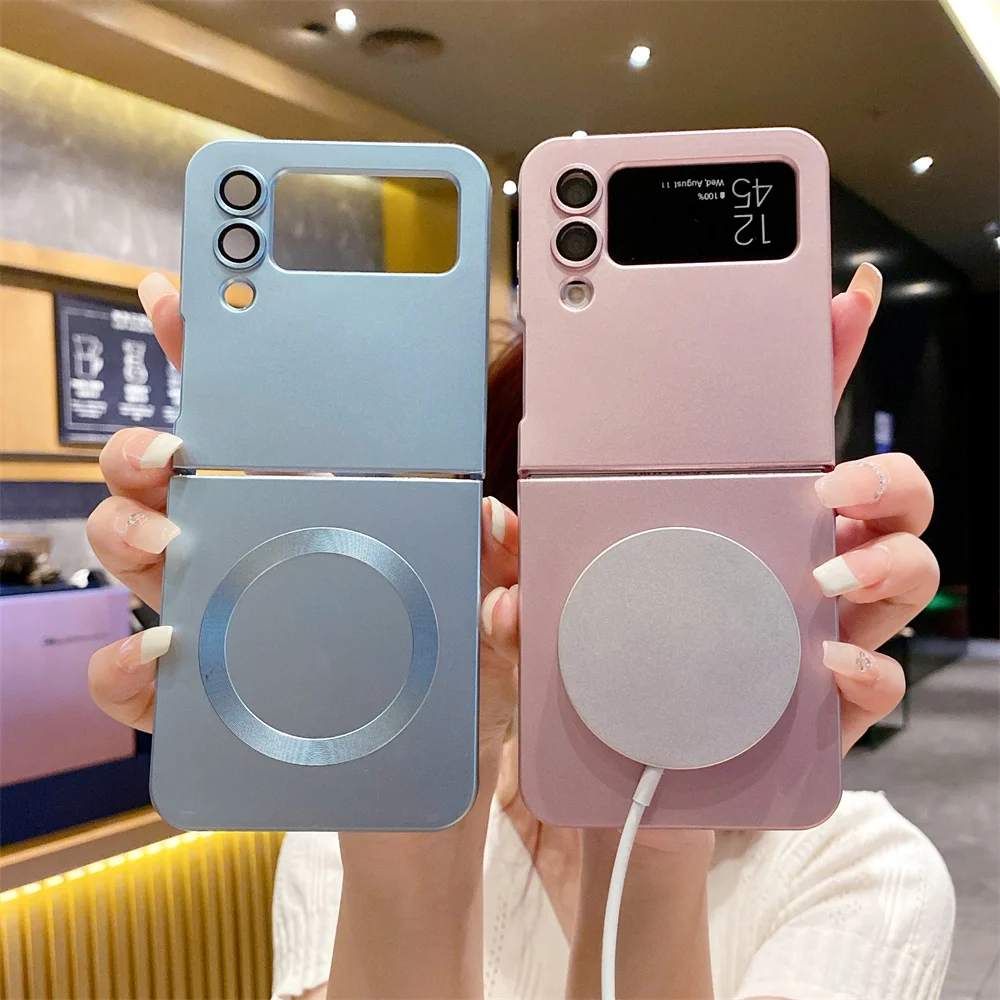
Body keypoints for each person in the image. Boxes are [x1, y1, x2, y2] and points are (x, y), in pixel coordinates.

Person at [86, 264, 954, 1000]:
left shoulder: (863, 870)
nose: (646, 579)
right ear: (495, 542)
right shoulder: (367, 793)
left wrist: (654, 848)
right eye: (573, 506)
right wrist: (412, 846)